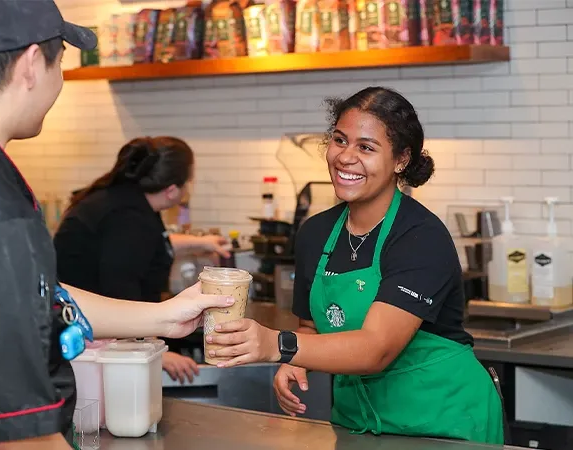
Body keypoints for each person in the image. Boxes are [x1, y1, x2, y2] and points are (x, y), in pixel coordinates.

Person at [0, 1, 233, 449]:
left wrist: (161, 316)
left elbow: (29, 295)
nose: (58, 80)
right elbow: (22, 436)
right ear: (29, 65)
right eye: (59, 61)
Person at [206, 87, 505, 445]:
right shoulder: (316, 233)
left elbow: (376, 349)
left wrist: (278, 345)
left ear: (401, 160)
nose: (345, 157)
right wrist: (297, 359)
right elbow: (312, 328)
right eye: (339, 140)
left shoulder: (420, 236)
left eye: (366, 147)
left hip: (443, 422)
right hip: (357, 423)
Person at [54, 136, 230, 383]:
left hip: (87, 335)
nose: (190, 186)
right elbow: (120, 291)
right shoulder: (130, 218)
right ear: (171, 191)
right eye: (189, 181)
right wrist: (154, 351)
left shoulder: (123, 198)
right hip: (92, 351)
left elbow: (147, 246)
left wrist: (202, 242)